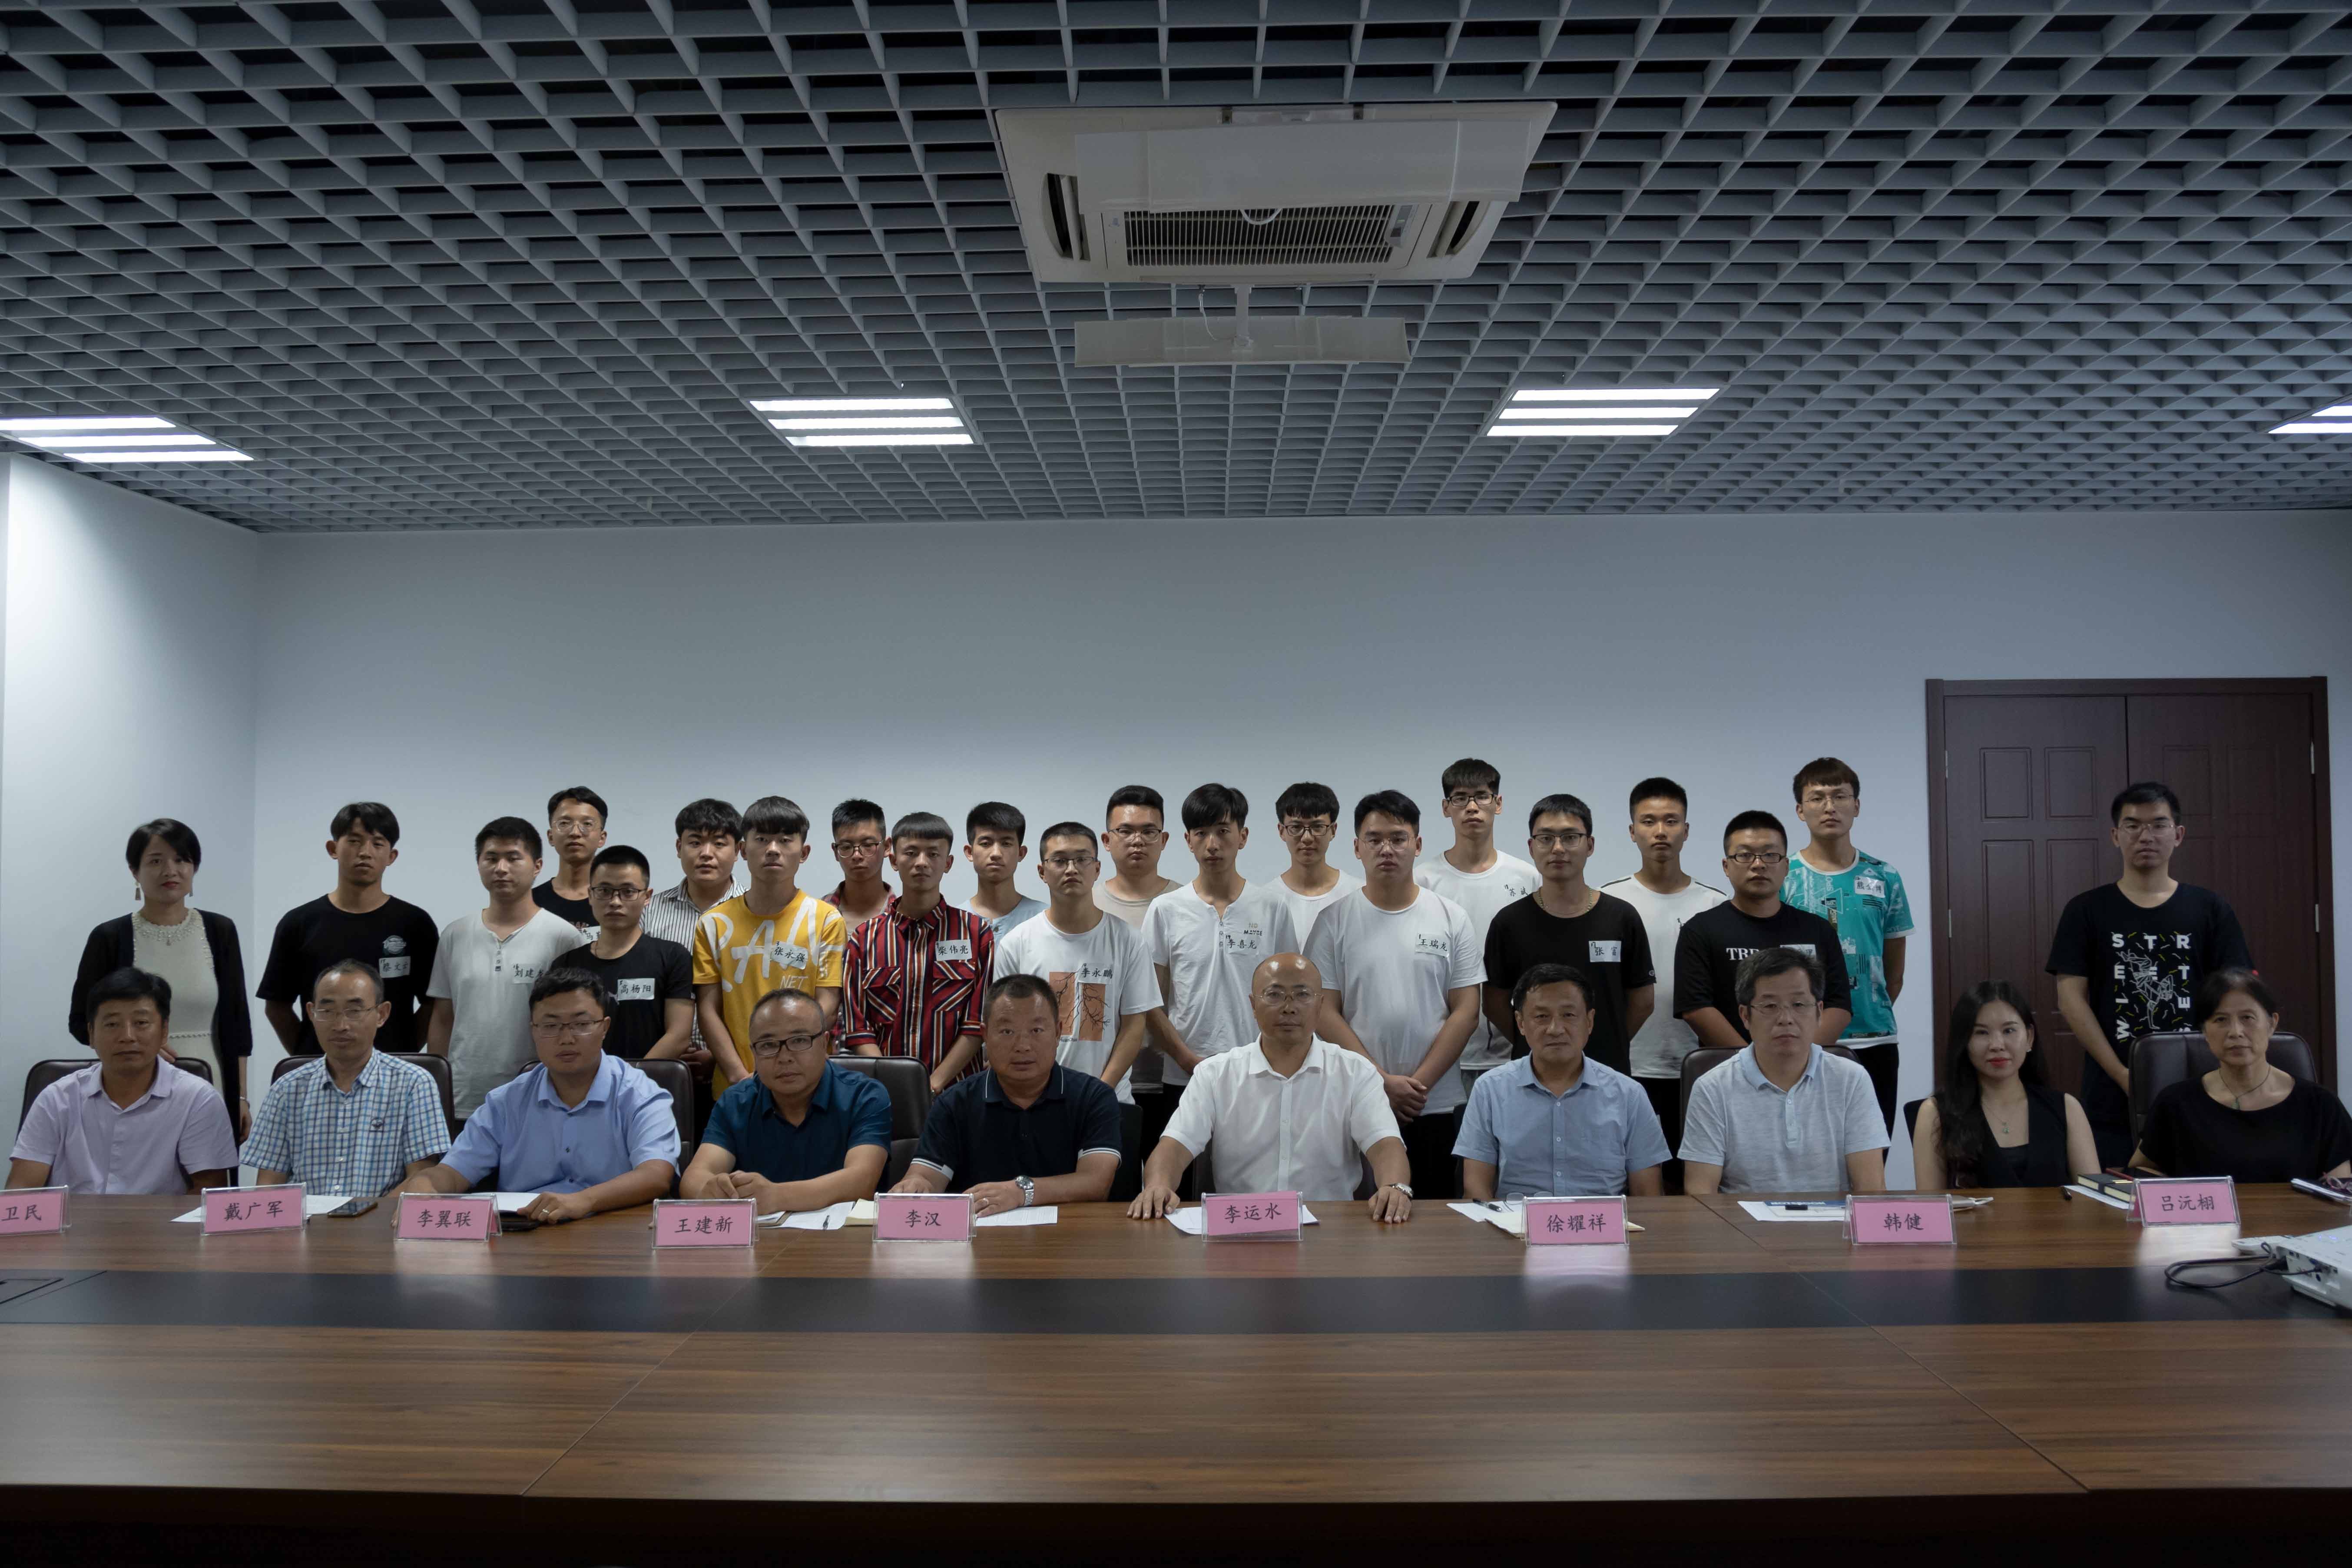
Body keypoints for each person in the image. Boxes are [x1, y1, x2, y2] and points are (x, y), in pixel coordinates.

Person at [2049, 781, 2253, 1169]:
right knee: (2115, 1198)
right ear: (2116, 835)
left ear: (2178, 835)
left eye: (2159, 825)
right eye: (2133, 825)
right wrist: (2123, 1075)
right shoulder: (2086, 910)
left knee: (2202, 1195)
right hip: (2111, 1094)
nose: (2146, 836)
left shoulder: (2210, 909)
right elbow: (2070, 999)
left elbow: (2235, 996)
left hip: (2203, 1088)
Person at [1128, 952, 1410, 1219]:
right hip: (1241, 1228)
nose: (1289, 1007)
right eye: (1274, 995)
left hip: (1328, 1230)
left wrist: (1395, 1187)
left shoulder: (1356, 1072)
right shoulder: (1215, 1074)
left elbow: (1386, 1145)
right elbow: (1174, 1147)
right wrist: (1158, 1185)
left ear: (1320, 1005)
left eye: (1303, 995)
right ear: (1253, 1005)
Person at [1303, 791, 1482, 1200]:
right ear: (1357, 847)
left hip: (1434, 1101)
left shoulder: (1451, 917)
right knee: (1359, 1218)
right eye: (1375, 839)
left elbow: (1467, 1011)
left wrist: (1416, 1086)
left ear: (1417, 845)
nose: (1387, 849)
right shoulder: (1333, 922)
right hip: (1358, 1098)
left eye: (1399, 838)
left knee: (1435, 1216)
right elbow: (1324, 1012)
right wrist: (1380, 1082)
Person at [400, 968, 680, 1223]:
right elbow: (454, 1172)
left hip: (614, 1229)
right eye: (551, 1026)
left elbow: (656, 1176)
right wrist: (427, 1185)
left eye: (581, 1024)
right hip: (525, 1232)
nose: (566, 1038)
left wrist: (583, 1200)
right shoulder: (506, 1102)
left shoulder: (640, 1094)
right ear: (533, 1031)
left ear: (604, 1027)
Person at [1141, 784, 1302, 1193]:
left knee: (1252, 1187)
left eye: (1223, 831)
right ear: (1188, 840)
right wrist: (1185, 1057)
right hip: (1184, 1073)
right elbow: (1150, 1000)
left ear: (1242, 837)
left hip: (1259, 1073)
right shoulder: (1166, 909)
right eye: (1201, 833)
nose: (1212, 844)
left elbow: (1289, 995)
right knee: (1182, 1191)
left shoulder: (1271, 907)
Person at [72, 818, 252, 1131]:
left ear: (194, 868)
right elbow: (81, 1022)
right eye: (156, 861)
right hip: (133, 1082)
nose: (171, 870)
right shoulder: (109, 937)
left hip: (212, 1081)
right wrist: (140, 1044)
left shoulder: (220, 930)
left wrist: (240, 1097)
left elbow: (238, 1024)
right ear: (135, 871)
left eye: (182, 860)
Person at [889, 974, 1121, 1212]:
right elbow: (926, 1177)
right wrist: (916, 1185)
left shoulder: (1094, 1098)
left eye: (1037, 1030)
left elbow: (1096, 1183)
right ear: (985, 1036)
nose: (1023, 1046)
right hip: (982, 1232)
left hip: (1069, 1232)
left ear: (1057, 1033)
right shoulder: (954, 1103)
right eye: (1007, 1032)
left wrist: (1021, 1192)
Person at [1599, 778, 1726, 1187]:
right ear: (1632, 831)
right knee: (1631, 1182)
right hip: (1627, 1065)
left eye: (1671, 821)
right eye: (1649, 821)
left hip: (1699, 1067)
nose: (1660, 831)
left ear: (1686, 830)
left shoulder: (1715, 905)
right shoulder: (1606, 903)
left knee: (1693, 1183)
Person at [10, 968, 237, 1194]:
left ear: (164, 1031)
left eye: (141, 1023)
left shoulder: (197, 1099)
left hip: (163, 1219)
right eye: (112, 1024)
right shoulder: (57, 1099)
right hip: (74, 1218)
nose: (127, 1036)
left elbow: (208, 1195)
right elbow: (21, 1191)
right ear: (91, 1034)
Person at [423, 817, 593, 1118]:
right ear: (479, 865)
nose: (501, 868)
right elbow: (443, 1018)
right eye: (491, 858)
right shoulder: (455, 934)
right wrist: (439, 1084)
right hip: (463, 1098)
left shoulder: (564, 937)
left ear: (537, 866)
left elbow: (578, 1023)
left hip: (540, 1095)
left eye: (513, 858)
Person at [1681, 949, 1887, 1195]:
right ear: (1745, 1016)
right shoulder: (1712, 1088)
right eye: (1770, 1006)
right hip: (1741, 1220)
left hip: (1832, 1220)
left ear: (1819, 1012)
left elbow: (1871, 1188)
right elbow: (1701, 1193)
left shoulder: (1851, 1079)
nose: (1786, 1019)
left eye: (1799, 1005)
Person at [1457, 963, 1670, 1201]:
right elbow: (1476, 1190)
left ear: (1589, 1021)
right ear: (1521, 1023)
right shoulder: (1490, 1090)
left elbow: (1648, 1195)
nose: (1555, 1029)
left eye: (1569, 1015)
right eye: (1541, 1016)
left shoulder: (1629, 1094)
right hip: (1516, 1223)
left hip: (1601, 1223)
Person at [1780, 758, 1914, 1134]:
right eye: (1817, 798)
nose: (1830, 807)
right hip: (1802, 1041)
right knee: (1806, 1149)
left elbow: (1894, 974)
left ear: (1856, 805)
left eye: (1840, 796)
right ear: (1800, 810)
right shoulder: (1783, 876)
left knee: (1872, 1147)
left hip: (1875, 1039)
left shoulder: (1885, 876)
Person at [993, 822, 1161, 1120]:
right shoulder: (1016, 944)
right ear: (1042, 872)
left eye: (1082, 859)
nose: (1071, 869)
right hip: (1033, 1105)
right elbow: (1006, 1029)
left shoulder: (1129, 940)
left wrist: (1099, 1093)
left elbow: (1134, 1028)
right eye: (1059, 860)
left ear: (1097, 869)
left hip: (1109, 1101)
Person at [240, 960, 451, 1196]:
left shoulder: (414, 1084)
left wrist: (366, 1216)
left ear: (382, 1014)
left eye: (354, 1011)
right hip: (305, 1218)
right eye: (327, 1011)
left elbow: (420, 1180)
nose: (341, 1025)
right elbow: (269, 1184)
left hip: (381, 1218)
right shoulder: (287, 1089)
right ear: (311, 1014)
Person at [1483, 793, 1653, 1075]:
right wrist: (1540, 1042)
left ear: (1590, 845)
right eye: (1546, 838)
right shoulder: (1508, 923)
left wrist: (1608, 1040)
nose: (1558, 848)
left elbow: (1643, 1001)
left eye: (1571, 837)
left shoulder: (1622, 917)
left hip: (1607, 1071)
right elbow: (1493, 1003)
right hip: (1533, 1074)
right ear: (1531, 847)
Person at [680, 989, 891, 1214]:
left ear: (825, 1044)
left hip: (843, 1235)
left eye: (799, 1041)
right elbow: (694, 1178)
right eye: (768, 1045)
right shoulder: (736, 1101)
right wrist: (710, 1190)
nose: (785, 1057)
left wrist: (776, 1196)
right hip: (761, 1235)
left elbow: (862, 1181)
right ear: (754, 1052)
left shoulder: (864, 1096)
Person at [2131, 969, 2352, 1183]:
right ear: (2205, 1031)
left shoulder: (2320, 1105)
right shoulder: (2175, 1103)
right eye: (2221, 1020)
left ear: (2272, 1024)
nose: (2236, 1032)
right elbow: (2140, 1172)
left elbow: (2341, 1187)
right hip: (2206, 1211)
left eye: (2247, 1018)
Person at [256, 801, 440, 1057]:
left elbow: (433, 1005)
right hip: (318, 1068)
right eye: (354, 841)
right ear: (333, 849)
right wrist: (308, 1057)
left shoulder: (415, 924)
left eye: (378, 844)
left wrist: (403, 1055)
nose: (365, 852)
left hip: (395, 1068)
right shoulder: (299, 923)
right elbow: (277, 1006)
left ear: (392, 856)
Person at [692, 796, 848, 1099]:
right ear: (743, 850)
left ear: (804, 853)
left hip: (808, 1085)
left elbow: (827, 1004)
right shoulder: (713, 924)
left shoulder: (826, 920)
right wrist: (740, 1077)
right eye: (762, 839)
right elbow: (708, 1010)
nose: (773, 849)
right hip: (735, 1088)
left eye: (785, 840)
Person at [841, 812, 997, 1093]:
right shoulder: (863, 940)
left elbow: (976, 1025)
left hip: (958, 1095)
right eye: (911, 853)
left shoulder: (977, 934)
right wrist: (895, 1085)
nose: (922, 862)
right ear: (893, 860)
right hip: (884, 1095)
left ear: (948, 863)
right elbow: (858, 1028)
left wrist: (931, 1086)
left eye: (933, 854)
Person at [1675, 811, 1852, 1050]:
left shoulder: (1818, 930)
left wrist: (1800, 1059)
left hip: (1807, 1064)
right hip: (1729, 1066)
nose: (1758, 865)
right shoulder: (1700, 931)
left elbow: (1838, 1006)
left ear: (1786, 866)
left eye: (1770, 855)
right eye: (1745, 855)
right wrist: (1749, 1064)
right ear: (1726, 867)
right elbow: (1696, 1008)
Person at [1415, 759, 1540, 1080]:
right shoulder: (1423, 881)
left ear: (1498, 803)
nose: (1472, 807)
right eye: (1460, 798)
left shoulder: (1527, 877)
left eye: (1482, 796)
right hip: (1441, 1055)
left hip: (1515, 1052)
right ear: (1446, 808)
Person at [1914, 980, 2097, 1190]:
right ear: (1964, 1042)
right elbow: (1931, 1204)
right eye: (1982, 1033)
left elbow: (2093, 1199)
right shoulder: (1935, 1113)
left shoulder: (2066, 1108)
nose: (1997, 1045)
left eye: (2009, 1031)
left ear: (2029, 1037)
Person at [1096, 785, 1184, 1160]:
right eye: (1126, 831)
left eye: (1149, 831)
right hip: (1106, 1080)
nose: (1137, 840)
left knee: (1172, 1185)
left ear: (1164, 840)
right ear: (1106, 840)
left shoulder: (1187, 903)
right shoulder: (1087, 905)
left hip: (1174, 1076)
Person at [639, 798, 738, 1121]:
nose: (706, 853)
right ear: (679, 847)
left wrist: (719, 1056)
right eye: (695, 842)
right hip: (659, 1069)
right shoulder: (649, 911)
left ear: (738, 850)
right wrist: (667, 1054)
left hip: (739, 1071)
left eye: (719, 843)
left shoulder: (756, 911)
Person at [556, 846, 693, 1061]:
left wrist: (631, 1077)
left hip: (649, 1079)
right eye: (604, 891)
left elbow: (679, 1036)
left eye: (628, 892)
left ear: (647, 897)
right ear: (590, 895)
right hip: (582, 1078)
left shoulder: (673, 957)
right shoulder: (566, 965)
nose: (615, 902)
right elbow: (560, 1032)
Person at [1270, 781, 1362, 939]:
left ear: (1333, 831)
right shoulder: (1267, 901)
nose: (1307, 838)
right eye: (1296, 827)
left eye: (1317, 827)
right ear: (1282, 832)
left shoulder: (1358, 894)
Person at [532, 786, 608, 936]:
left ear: (602, 838)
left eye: (587, 824)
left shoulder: (617, 903)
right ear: (551, 837)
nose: (575, 833)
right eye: (564, 823)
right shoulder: (529, 904)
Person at [963, 801, 1045, 936]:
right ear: (970, 852)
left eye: (1006, 844)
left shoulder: (1045, 920)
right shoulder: (951, 922)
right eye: (986, 844)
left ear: (1021, 853)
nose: (996, 853)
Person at [824, 799, 894, 932]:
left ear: (887, 847)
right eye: (846, 847)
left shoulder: (907, 916)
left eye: (868, 845)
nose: (857, 855)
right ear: (836, 852)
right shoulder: (815, 915)